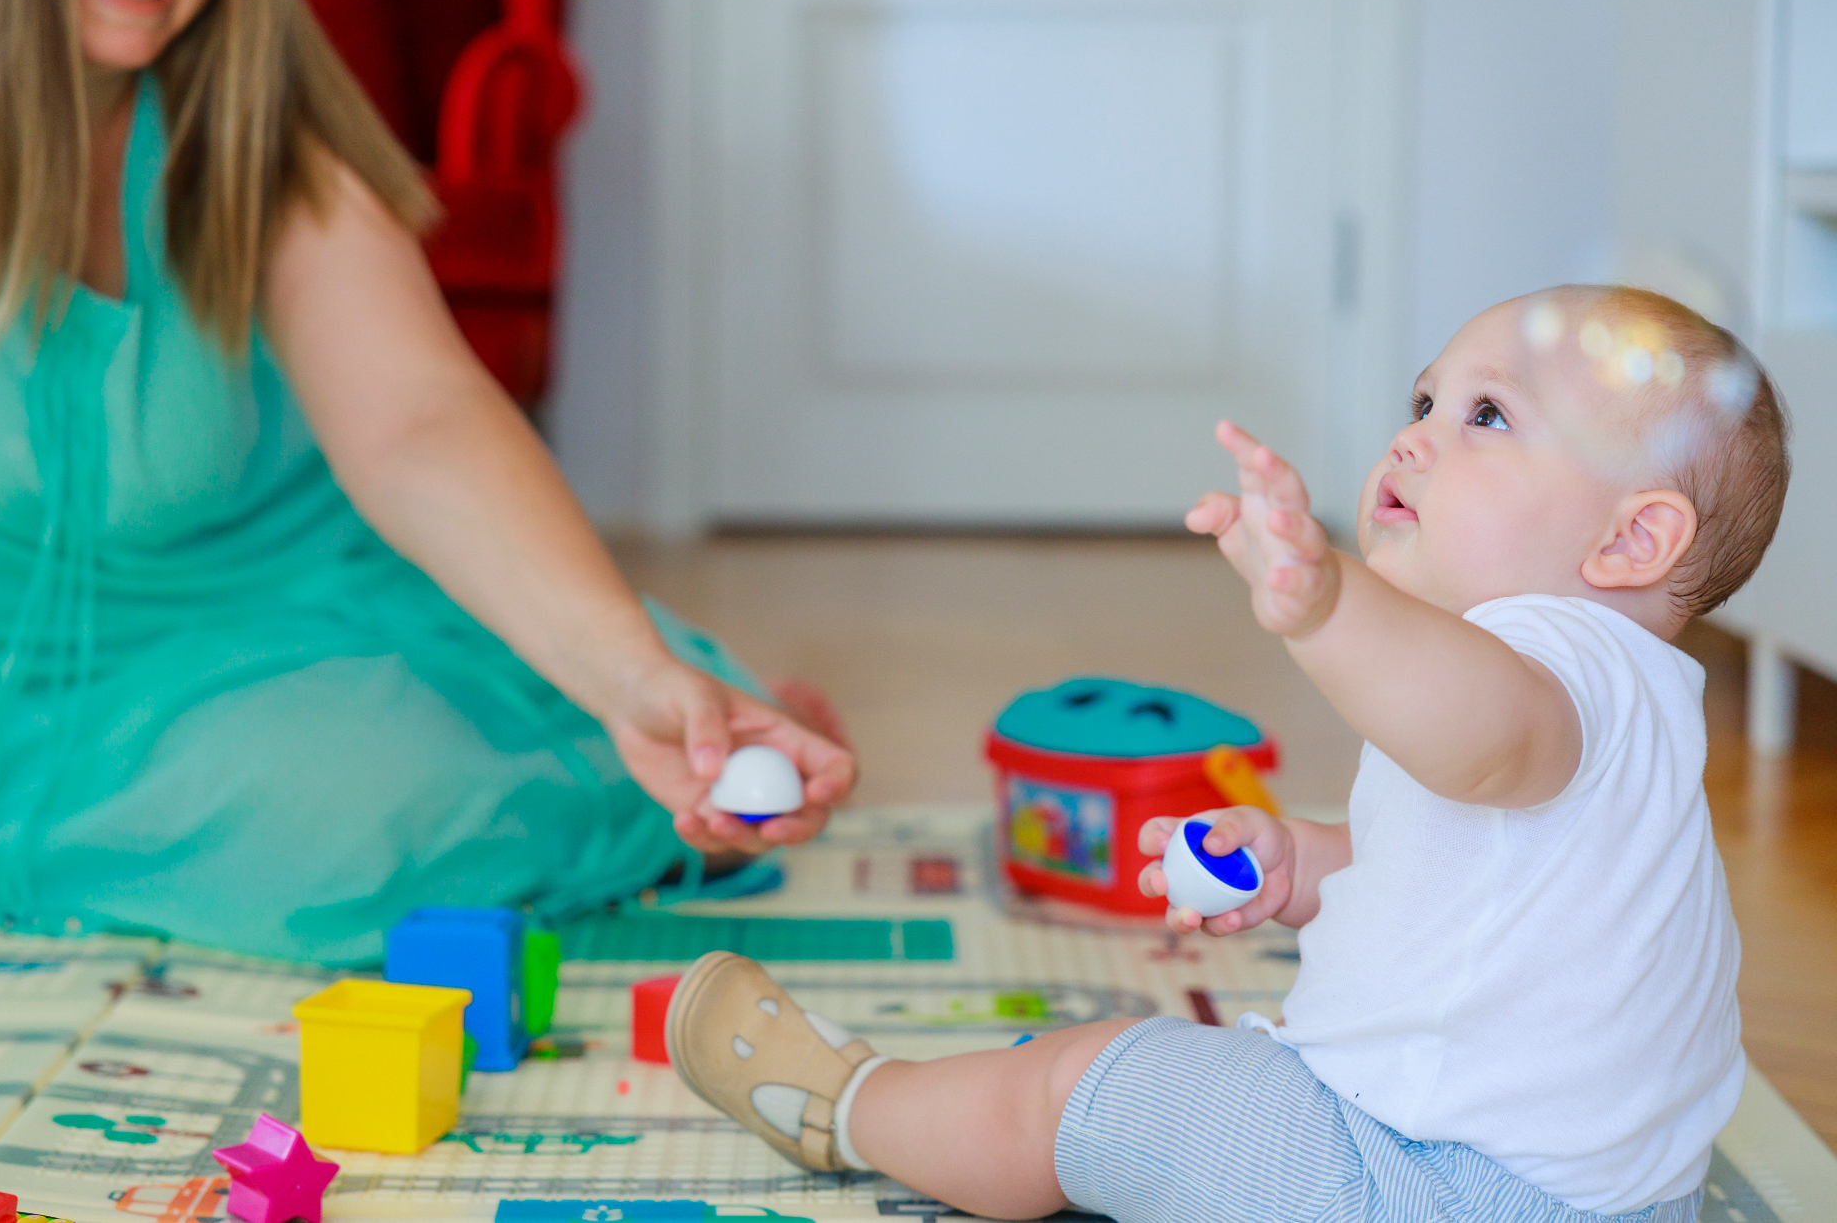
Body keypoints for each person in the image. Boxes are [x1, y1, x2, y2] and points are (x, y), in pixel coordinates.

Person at [0, 0, 852, 966]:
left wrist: (629, 680)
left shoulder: (243, 94)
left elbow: (418, 420)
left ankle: (642, 743)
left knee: (362, 831)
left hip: (227, 654)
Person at [663, 286, 1790, 1222]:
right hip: (1607, 1199)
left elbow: (1477, 731)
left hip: (1424, 1186)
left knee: (1079, 1082)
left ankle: (851, 1103)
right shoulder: (1629, 702)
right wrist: (1299, 863)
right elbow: (1470, 877)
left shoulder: (1551, 663)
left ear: (1630, 538)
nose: (1413, 434)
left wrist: (1325, 606)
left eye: (1485, 416)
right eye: (1423, 398)